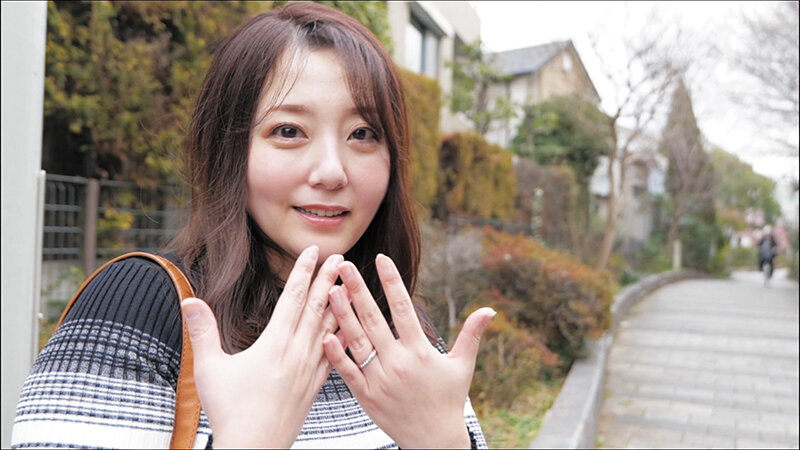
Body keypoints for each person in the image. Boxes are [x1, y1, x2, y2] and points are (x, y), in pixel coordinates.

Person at [11, 4, 494, 448]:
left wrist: (441, 440)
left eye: (362, 133)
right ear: (229, 150)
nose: (331, 171)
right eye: (288, 131)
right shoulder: (139, 310)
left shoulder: (400, 333)